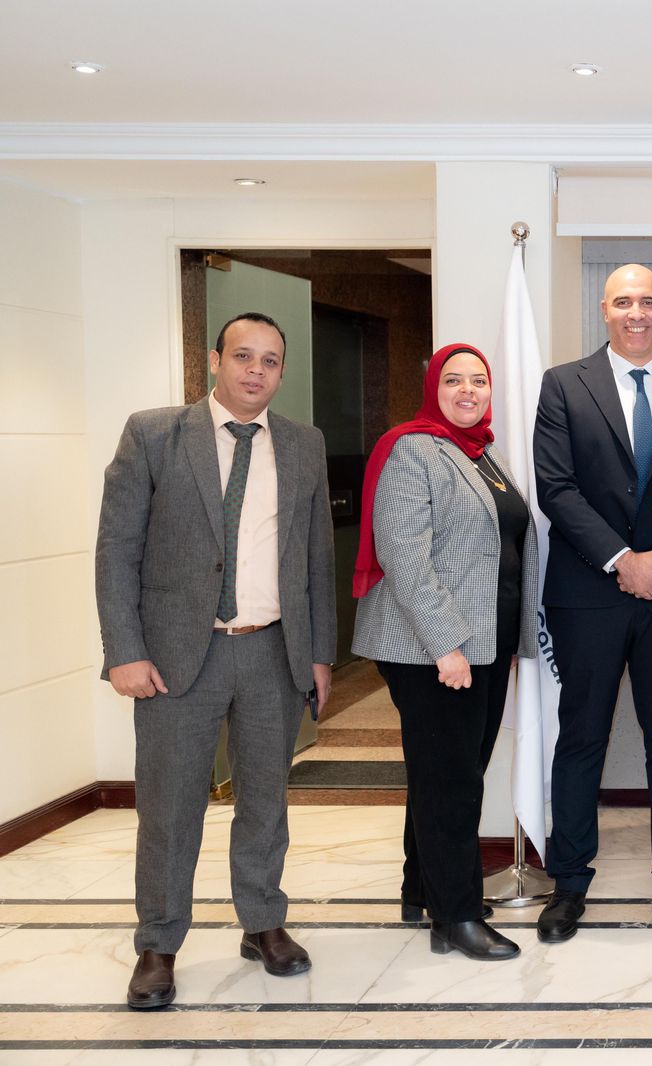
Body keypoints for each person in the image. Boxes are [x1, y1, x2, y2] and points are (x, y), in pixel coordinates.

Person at [95, 312, 335, 1010]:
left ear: (281, 371)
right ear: (214, 360)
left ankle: (263, 923)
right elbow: (117, 550)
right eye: (243, 357)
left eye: (270, 360)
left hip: (272, 649)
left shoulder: (304, 443)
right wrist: (125, 651)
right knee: (170, 807)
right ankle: (158, 944)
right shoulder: (154, 434)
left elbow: (317, 556)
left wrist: (321, 653)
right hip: (175, 657)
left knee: (265, 799)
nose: (256, 371)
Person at [533, 264, 652, 943]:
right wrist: (622, 559)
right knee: (582, 737)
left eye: (647, 302)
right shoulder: (563, 384)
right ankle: (568, 882)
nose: (636, 313)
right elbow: (556, 488)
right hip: (587, 594)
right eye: (623, 302)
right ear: (604, 310)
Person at [351, 343, 539, 961]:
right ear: (433, 387)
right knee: (452, 784)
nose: (467, 391)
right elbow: (405, 557)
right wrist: (447, 646)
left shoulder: (483, 454)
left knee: (446, 775)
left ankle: (422, 891)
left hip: (487, 644)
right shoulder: (413, 449)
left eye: (478, 381)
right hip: (432, 650)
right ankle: (455, 917)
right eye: (453, 380)